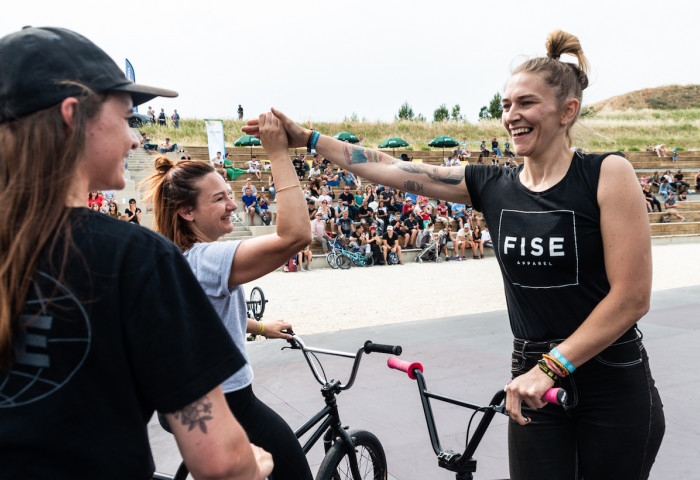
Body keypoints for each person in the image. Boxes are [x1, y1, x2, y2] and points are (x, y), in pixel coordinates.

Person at [256, 29, 664, 479]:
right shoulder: (492, 185)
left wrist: (553, 366)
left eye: (526, 103)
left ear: (568, 110)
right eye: (506, 105)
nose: (511, 115)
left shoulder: (606, 174)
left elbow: (631, 298)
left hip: (610, 378)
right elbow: (390, 166)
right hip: (530, 378)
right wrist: (308, 138)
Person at [0, 26, 271, 479]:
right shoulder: (137, 258)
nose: (134, 139)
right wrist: (254, 464)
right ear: (72, 117)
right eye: (128, 119)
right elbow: (220, 461)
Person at [143, 111, 312, 480]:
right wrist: (279, 153)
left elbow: (204, 315)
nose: (233, 206)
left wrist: (260, 326)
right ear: (187, 211)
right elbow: (296, 235)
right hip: (230, 402)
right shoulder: (207, 259)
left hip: (185, 401)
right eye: (220, 199)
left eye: (231, 195)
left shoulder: (174, 254)